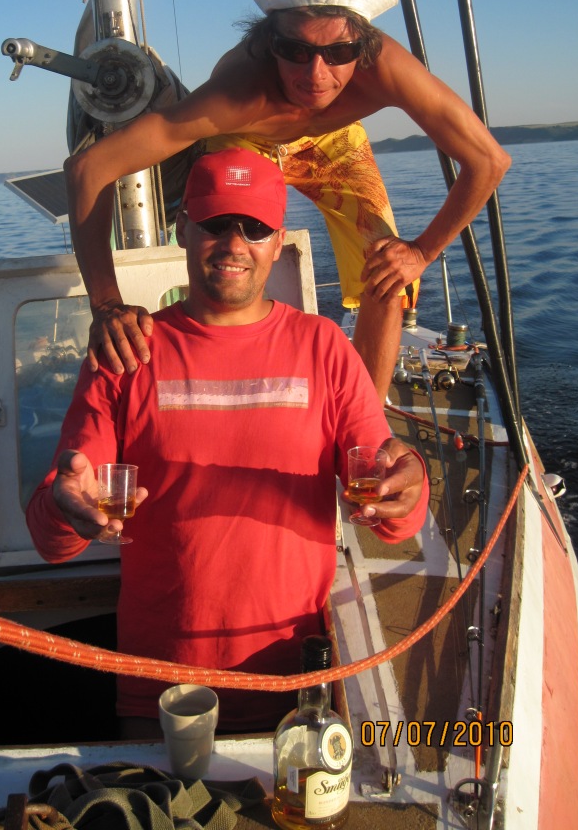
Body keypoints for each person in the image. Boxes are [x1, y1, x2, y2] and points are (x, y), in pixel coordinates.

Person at [28, 148, 428, 737]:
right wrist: (70, 511)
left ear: (278, 240)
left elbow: (396, 519)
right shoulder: (125, 354)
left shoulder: (325, 349)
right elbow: (49, 539)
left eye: (255, 228)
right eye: (216, 222)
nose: (235, 243)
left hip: (296, 687)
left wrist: (408, 481)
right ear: (184, 228)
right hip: (158, 692)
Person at [65, 0, 511, 402]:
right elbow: (88, 169)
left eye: (339, 52)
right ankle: (226, 384)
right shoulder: (237, 94)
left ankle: (364, 422)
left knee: (389, 271)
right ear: (269, 43)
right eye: (295, 50)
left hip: (333, 140)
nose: (316, 74)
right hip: (245, 137)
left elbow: (489, 161)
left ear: (364, 46)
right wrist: (106, 304)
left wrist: (420, 251)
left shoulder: (386, 68)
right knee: (231, 256)